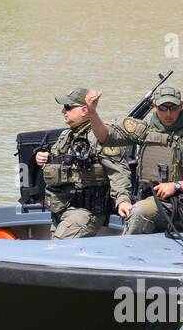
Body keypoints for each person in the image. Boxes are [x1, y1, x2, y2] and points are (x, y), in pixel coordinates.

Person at [83, 84, 183, 235]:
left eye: (173, 108)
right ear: (155, 106)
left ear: (181, 106)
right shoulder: (146, 129)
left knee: (139, 211)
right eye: (163, 108)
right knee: (137, 208)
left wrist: (176, 186)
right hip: (150, 199)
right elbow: (105, 136)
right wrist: (92, 112)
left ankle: (127, 251)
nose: (168, 114)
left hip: (180, 207)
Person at [34, 86, 131, 240]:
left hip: (85, 212)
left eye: (67, 107)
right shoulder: (67, 135)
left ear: (84, 111)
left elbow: (118, 172)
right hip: (61, 208)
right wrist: (43, 157)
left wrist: (123, 200)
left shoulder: (100, 136)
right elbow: (60, 163)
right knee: (53, 248)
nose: (63, 111)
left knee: (56, 250)